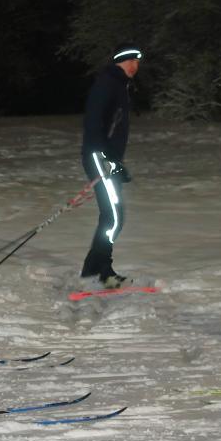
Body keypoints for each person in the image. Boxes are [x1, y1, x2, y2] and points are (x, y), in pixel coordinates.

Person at [79, 46, 142, 288]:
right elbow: (93, 122)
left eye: (136, 62)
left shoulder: (120, 85)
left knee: (112, 215)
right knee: (114, 216)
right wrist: (106, 158)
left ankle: (93, 270)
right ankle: (101, 271)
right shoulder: (108, 84)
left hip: (108, 158)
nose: (134, 66)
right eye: (129, 61)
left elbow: (113, 127)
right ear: (119, 62)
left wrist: (117, 162)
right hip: (99, 156)